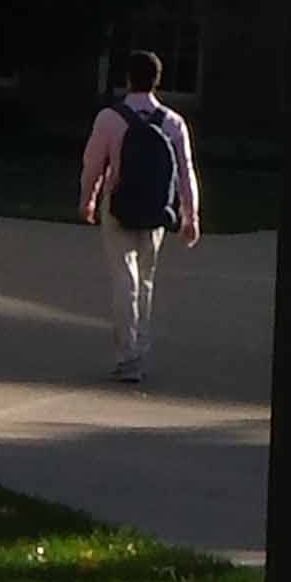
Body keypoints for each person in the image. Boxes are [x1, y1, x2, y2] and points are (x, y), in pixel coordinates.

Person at [76, 46, 202, 383]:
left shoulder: (109, 118)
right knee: (146, 279)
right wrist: (191, 215)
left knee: (123, 279)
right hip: (156, 211)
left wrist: (87, 199)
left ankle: (126, 354)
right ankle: (140, 350)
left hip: (119, 206)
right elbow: (186, 170)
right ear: (157, 80)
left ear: (128, 79)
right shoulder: (173, 122)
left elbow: (93, 165)